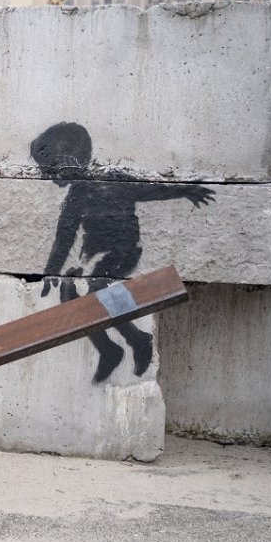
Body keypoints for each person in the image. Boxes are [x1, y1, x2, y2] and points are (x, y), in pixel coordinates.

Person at [32, 122, 215, 382]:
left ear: (68, 161)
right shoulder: (76, 195)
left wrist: (185, 189)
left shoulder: (115, 179)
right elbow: (64, 237)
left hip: (124, 252)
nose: (49, 178)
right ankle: (110, 349)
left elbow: (153, 191)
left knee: (97, 288)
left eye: (51, 171)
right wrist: (51, 272)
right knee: (69, 290)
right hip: (95, 256)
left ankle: (137, 340)